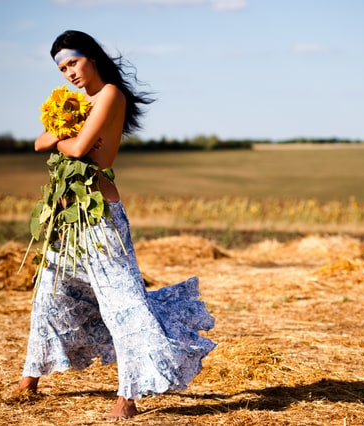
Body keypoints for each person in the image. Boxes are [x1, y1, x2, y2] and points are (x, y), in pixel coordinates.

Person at [14, 30, 216, 420]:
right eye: (61, 68)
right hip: (67, 217)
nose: (68, 73)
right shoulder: (75, 103)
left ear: (91, 57)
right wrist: (63, 132)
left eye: (72, 62)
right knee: (50, 294)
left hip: (100, 213)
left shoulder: (109, 95)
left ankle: (128, 395)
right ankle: (29, 378)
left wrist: (62, 136)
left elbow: (73, 148)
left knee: (122, 303)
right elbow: (40, 142)